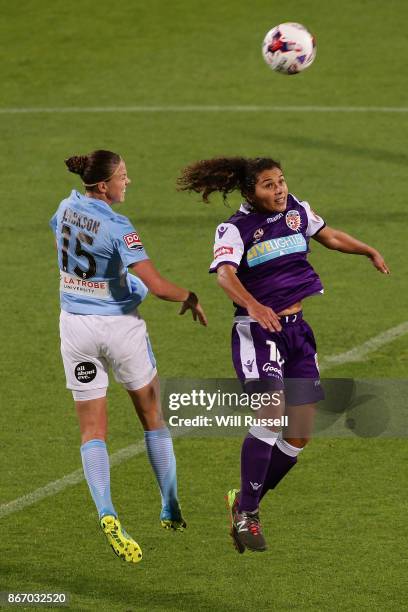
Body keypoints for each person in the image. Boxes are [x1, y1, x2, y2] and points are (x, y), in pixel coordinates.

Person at [177, 156, 389, 554]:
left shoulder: (297, 211)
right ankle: (247, 515)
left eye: (281, 182)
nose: (279, 190)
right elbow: (225, 273)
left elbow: (329, 236)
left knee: (298, 435)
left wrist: (368, 250)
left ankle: (243, 502)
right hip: (258, 332)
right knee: (271, 414)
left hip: (298, 332)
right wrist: (253, 306)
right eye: (268, 185)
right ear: (249, 192)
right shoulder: (235, 229)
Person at [50, 149, 207, 564]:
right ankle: (170, 505)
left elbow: (74, 266)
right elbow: (155, 286)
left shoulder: (64, 208)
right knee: (151, 415)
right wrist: (189, 296)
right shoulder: (119, 226)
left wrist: (114, 285)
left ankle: (106, 512)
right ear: (103, 185)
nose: (127, 181)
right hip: (120, 330)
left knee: (92, 429)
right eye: (122, 175)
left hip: (75, 327)